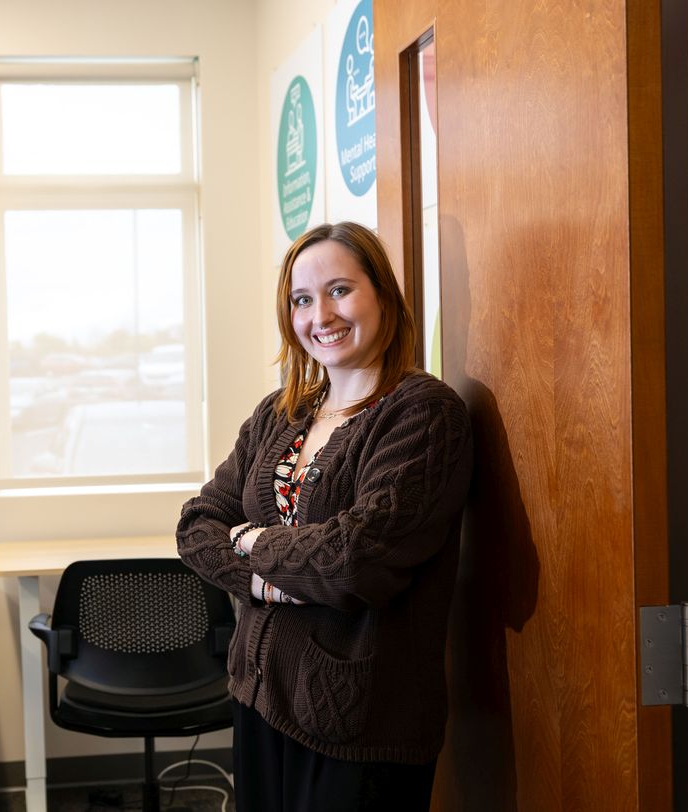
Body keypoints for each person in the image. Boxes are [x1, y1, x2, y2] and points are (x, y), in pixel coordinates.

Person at [177, 221, 473, 810]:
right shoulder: (281, 413)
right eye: (302, 300)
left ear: (383, 295)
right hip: (258, 697)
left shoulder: (423, 415)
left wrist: (250, 541)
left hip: (360, 722)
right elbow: (195, 527)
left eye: (340, 290)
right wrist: (274, 581)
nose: (322, 316)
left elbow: (353, 561)